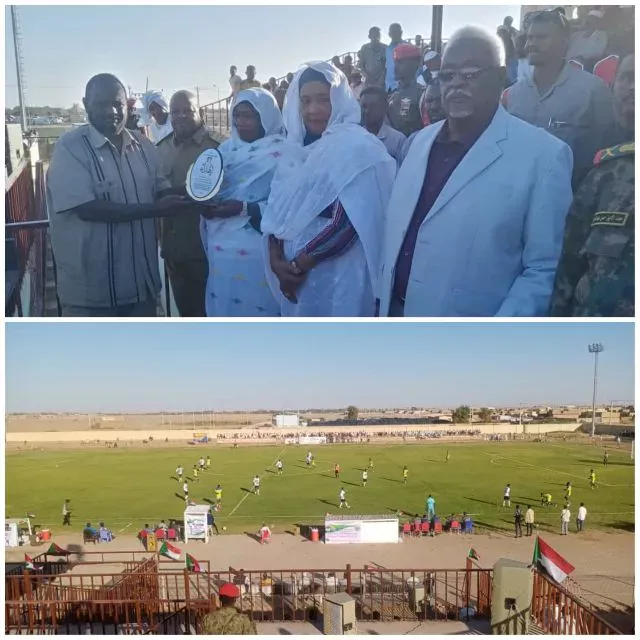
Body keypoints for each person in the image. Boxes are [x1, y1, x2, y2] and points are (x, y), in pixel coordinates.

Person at [380, 27, 573, 317]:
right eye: (447, 75)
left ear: (499, 78)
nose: (456, 84)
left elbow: (542, 269)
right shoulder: (417, 143)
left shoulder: (544, 156)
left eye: (470, 74)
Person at [47, 74, 191, 317]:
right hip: (92, 297)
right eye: (102, 104)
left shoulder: (144, 146)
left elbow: (162, 189)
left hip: (141, 289)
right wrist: (156, 209)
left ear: (127, 106)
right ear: (85, 104)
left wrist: (200, 190)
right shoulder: (69, 149)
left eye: (118, 103)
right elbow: (89, 209)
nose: (112, 111)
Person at [262, 62, 395, 317]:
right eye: (306, 100)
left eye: (324, 99)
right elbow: (276, 211)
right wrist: (276, 260)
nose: (314, 110)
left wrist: (296, 267)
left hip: (340, 275)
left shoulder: (358, 148)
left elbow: (348, 224)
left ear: (340, 99)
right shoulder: (294, 151)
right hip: (294, 281)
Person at [549, 54, 634, 317]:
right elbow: (569, 271)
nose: (633, 87)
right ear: (612, 88)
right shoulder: (605, 173)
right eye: (627, 78)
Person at [503, 10, 615, 185]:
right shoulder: (515, 94)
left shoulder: (593, 90)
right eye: (530, 38)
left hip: (574, 196)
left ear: (564, 44)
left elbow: (606, 155)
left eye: (541, 38)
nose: (531, 44)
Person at [201, 88, 284, 317]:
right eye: (236, 115)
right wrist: (205, 205)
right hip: (222, 251)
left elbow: (288, 206)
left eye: (248, 116)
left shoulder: (286, 153)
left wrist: (244, 208)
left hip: (261, 254)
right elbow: (208, 189)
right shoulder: (222, 152)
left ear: (265, 117)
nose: (240, 122)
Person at [156, 90, 218, 317]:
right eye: (175, 112)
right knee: (186, 315)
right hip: (173, 251)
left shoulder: (217, 147)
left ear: (199, 112)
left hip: (206, 252)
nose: (181, 116)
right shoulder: (161, 149)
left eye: (187, 110)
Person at [387, 44, 425, 137]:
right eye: (395, 62)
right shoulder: (392, 94)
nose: (395, 67)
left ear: (415, 64)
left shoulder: (422, 94)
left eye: (400, 62)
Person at [360, 86, 406, 162]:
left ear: (385, 107)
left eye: (373, 106)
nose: (367, 111)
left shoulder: (398, 140)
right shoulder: (356, 137)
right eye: (364, 106)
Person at [386, 23, 406, 92]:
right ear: (389, 34)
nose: (396, 34)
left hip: (403, 87)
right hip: (389, 87)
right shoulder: (387, 49)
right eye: (393, 32)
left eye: (397, 31)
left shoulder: (408, 47)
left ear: (401, 33)